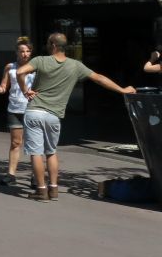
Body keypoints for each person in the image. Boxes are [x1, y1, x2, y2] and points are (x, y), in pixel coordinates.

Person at [16, 33, 135, 202]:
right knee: (51, 152)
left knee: (36, 153)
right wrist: (123, 90)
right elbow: (99, 79)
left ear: (53, 45)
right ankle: (54, 190)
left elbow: (20, 72)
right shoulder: (76, 66)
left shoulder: (40, 60)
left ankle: (41, 191)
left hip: (35, 111)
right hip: (54, 115)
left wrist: (24, 90)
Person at [0, 36, 35, 185]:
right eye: (22, 51)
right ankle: (11, 175)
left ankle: (35, 176)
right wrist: (1, 89)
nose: (25, 54)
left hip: (32, 109)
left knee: (32, 144)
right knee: (15, 143)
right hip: (14, 109)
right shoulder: (10, 67)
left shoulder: (36, 67)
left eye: (27, 51)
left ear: (31, 52)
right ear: (16, 52)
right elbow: (4, 85)